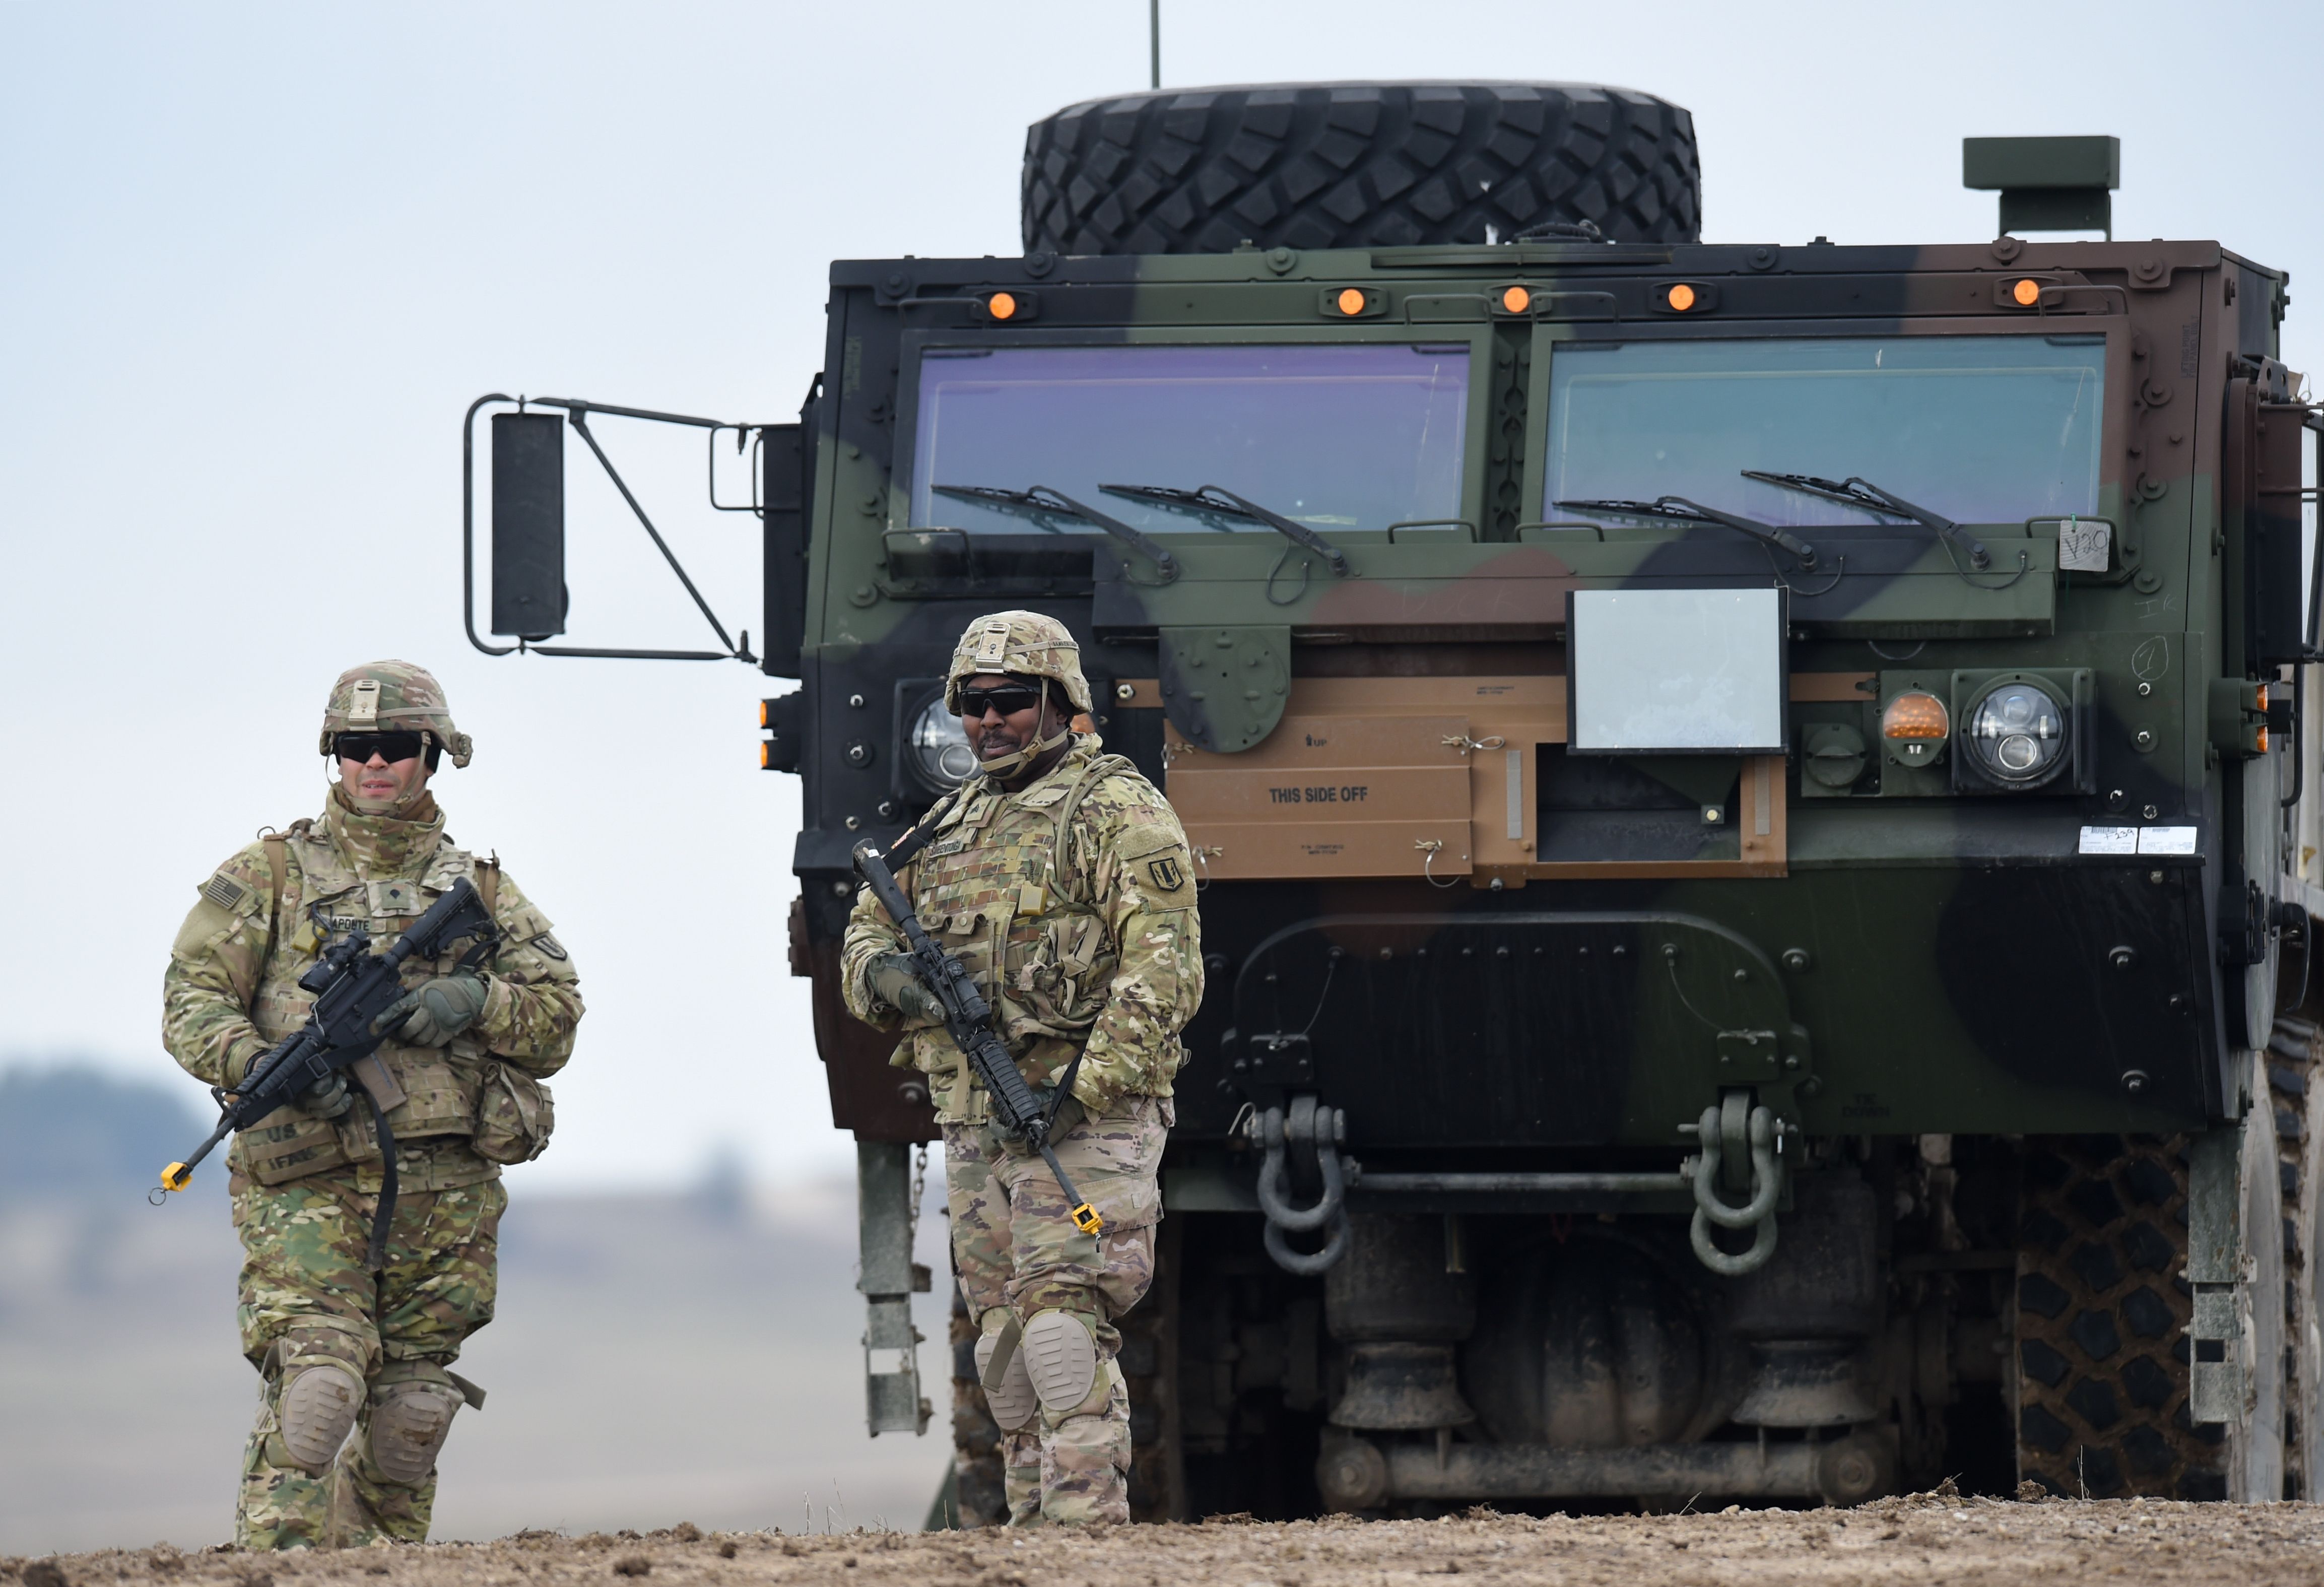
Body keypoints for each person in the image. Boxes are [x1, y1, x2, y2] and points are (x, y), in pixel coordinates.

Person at [161, 661, 582, 1549]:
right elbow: (191, 999)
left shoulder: (483, 892)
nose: (375, 763)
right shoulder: (269, 874)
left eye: (395, 744)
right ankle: (277, 1563)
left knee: (411, 1415)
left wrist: (476, 1000)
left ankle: (381, 1564)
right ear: (334, 755)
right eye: (356, 747)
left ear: (435, 753)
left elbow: (557, 1019)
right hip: (307, 1181)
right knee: (318, 1388)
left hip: (446, 1190)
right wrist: (259, 1060)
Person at [842, 611, 1204, 1527]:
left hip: (1082, 1121)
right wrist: (893, 980)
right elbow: (863, 937)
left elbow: (1164, 974)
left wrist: (1076, 1093)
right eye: (970, 703)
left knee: (1060, 1329)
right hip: (976, 1123)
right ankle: (1031, 1534)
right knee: (1003, 1350)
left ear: (1059, 700)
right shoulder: (948, 821)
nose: (987, 720)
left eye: (1009, 699)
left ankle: (1085, 1533)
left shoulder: (1114, 809)